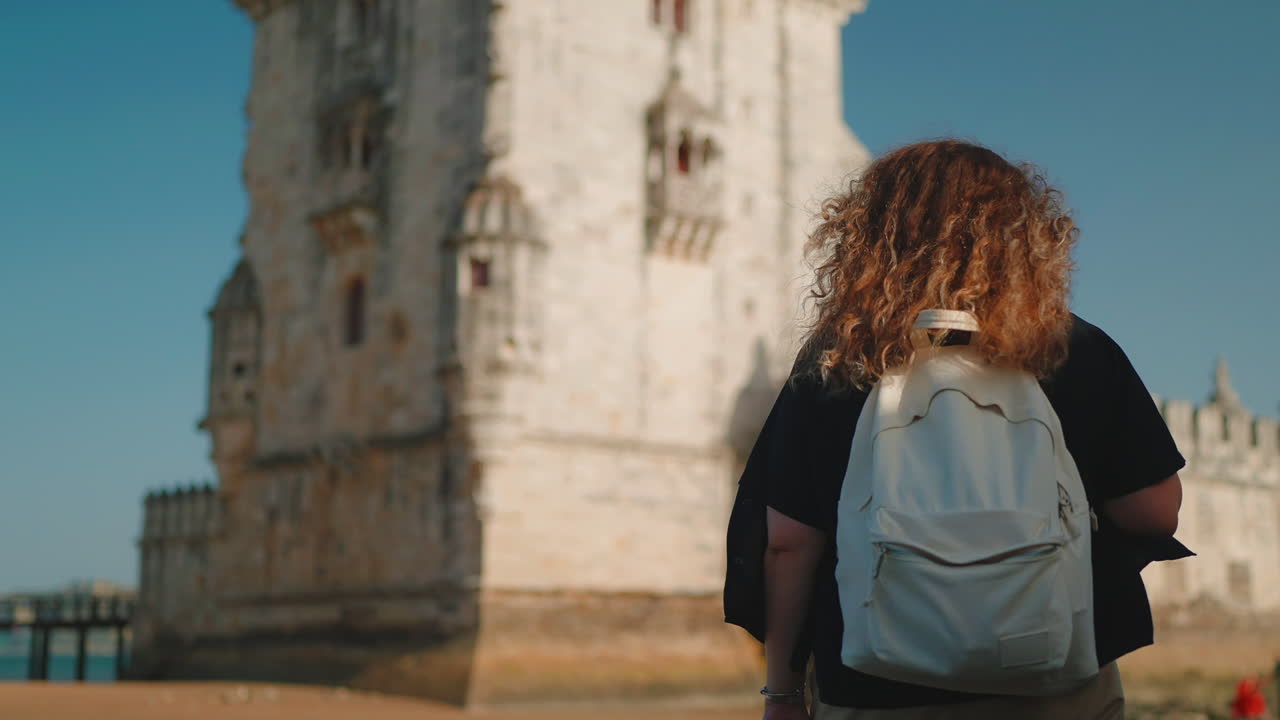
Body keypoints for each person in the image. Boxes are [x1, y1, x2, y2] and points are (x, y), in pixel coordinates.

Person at [724, 140, 1190, 719]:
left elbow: (789, 543)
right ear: (1024, 238)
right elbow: (1155, 512)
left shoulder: (837, 359)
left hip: (873, 682)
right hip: (1050, 676)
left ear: (872, 238)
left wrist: (785, 695)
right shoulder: (1073, 348)